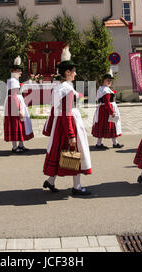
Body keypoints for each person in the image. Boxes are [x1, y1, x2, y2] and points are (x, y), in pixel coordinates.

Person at [43, 46, 92, 196]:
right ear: (67, 72)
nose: (76, 74)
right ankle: (77, 187)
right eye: (74, 71)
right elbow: (66, 113)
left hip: (60, 125)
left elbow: (56, 110)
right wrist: (71, 134)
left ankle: (51, 181)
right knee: (74, 153)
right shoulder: (67, 89)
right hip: (68, 124)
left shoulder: (59, 87)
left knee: (60, 153)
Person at [4, 56, 34, 153]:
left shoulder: (14, 81)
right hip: (14, 105)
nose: (21, 72)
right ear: (15, 71)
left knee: (20, 124)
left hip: (16, 102)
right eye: (19, 71)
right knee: (15, 124)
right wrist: (18, 110)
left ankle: (21, 145)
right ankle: (15, 147)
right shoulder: (13, 81)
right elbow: (13, 96)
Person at [92, 68, 123, 149]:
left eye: (110, 80)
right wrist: (111, 112)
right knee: (111, 125)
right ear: (103, 80)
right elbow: (107, 102)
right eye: (107, 80)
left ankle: (101, 143)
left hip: (102, 110)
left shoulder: (102, 88)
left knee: (104, 125)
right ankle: (114, 143)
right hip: (106, 111)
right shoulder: (105, 90)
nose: (109, 81)